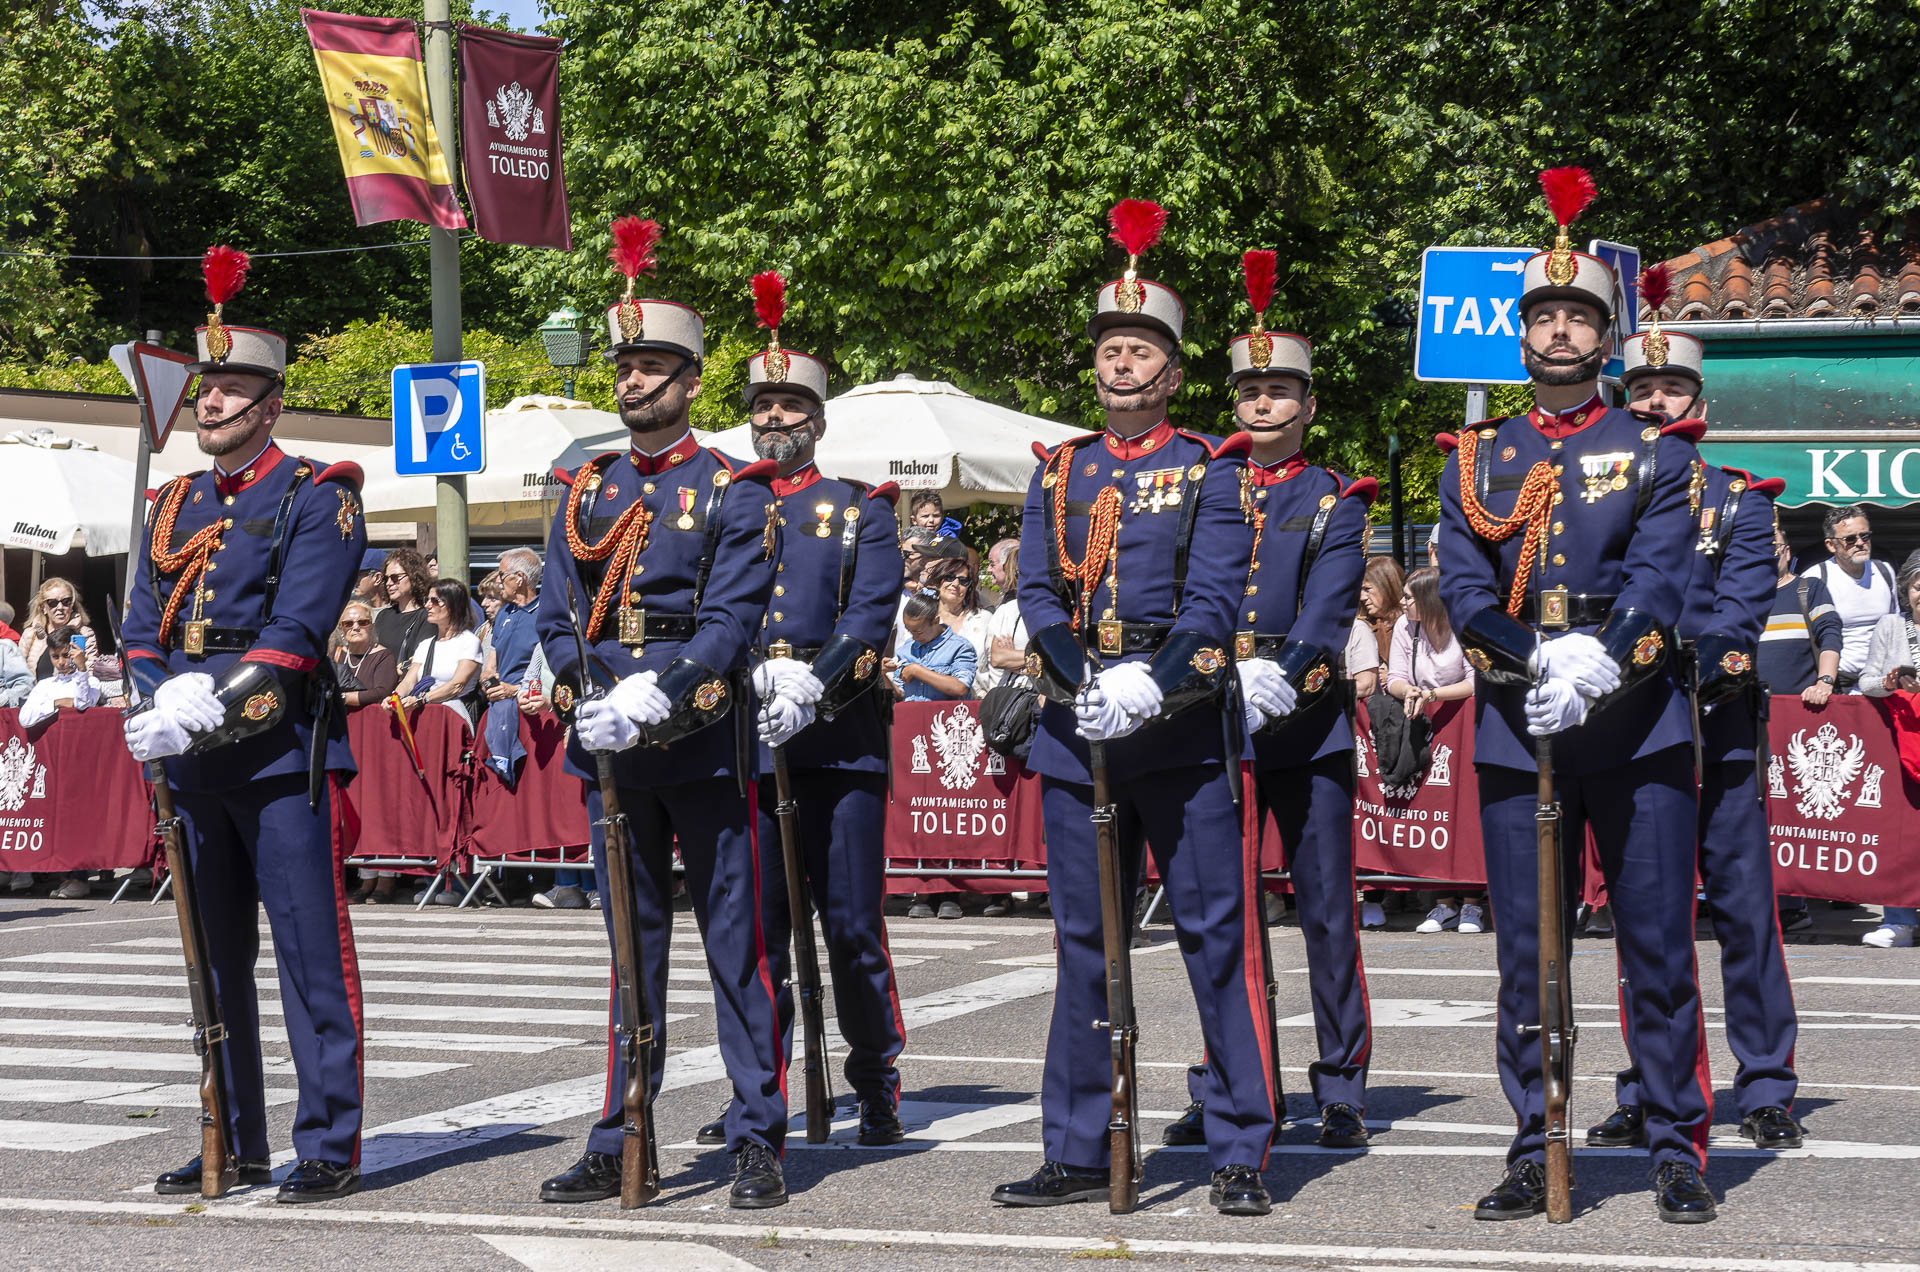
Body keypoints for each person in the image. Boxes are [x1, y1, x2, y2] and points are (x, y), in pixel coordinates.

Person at [1436, 170, 1715, 1222]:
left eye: (1579, 317)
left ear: (1606, 339)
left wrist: (1605, 656)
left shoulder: (1653, 452)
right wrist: (1525, 658)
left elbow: (1660, 579)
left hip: (1638, 727)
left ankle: (1677, 1141)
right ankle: (1531, 1135)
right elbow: (1464, 586)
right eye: (1544, 315)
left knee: (1655, 946)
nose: (1560, 332)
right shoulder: (1479, 456)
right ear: (1521, 337)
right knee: (1526, 955)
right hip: (1519, 728)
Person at [993, 201, 1272, 1217]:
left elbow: (1211, 603)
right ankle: (1077, 1141)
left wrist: (1150, 680)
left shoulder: (1210, 471)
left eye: (1139, 349)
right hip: (1080, 732)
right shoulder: (1058, 472)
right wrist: (1076, 676)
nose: (1119, 364)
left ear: (1172, 371)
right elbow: (1034, 592)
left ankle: (1240, 1142)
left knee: (1212, 936)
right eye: (1110, 348)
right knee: (1084, 944)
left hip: (1182, 731)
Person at [533, 217, 786, 1209]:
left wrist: (660, 690)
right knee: (628, 955)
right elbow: (558, 609)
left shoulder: (730, 489)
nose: (632, 381)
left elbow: (730, 621)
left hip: (702, 746)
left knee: (737, 952)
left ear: (689, 381)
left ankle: (757, 1130)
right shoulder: (581, 485)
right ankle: (619, 1124)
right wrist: (575, 686)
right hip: (607, 750)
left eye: (652, 367)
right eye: (625, 365)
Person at [119, 245, 367, 1201]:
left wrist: (205, 707)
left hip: (275, 759)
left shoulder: (317, 495)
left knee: (311, 960)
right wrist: (151, 698)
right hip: (188, 762)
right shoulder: (174, 501)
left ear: (269, 403)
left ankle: (329, 1141)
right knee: (211, 960)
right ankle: (233, 1133)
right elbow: (143, 626)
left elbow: (297, 635)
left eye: (230, 388)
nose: (209, 402)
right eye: (205, 386)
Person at [1159, 259, 1376, 1159]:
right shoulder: (1199, 483)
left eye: (1278, 392)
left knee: (1325, 912)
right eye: (1248, 392)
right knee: (1222, 919)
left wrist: (1280, 676)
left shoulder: (1333, 498)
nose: (1259, 407)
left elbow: (1327, 612)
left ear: (1307, 406)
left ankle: (1340, 1085)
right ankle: (1229, 1080)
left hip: (1304, 721)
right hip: (1210, 722)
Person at [1583, 313, 1804, 1152]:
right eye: (1639, 389)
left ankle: (1767, 1082)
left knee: (1745, 911)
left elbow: (1739, 610)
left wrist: (1669, 660)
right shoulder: (1593, 500)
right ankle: (1652, 1081)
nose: (1653, 401)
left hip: (1716, 723)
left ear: (1696, 402)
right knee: (1647, 921)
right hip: (1637, 733)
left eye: (1669, 388)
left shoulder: (1737, 498)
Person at [724, 277, 909, 1149]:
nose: (775, 420)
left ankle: (874, 1073)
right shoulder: (719, 504)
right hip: (743, 743)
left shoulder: (859, 511)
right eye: (763, 406)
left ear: (818, 420)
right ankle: (758, 1090)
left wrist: (814, 685)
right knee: (756, 935)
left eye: (791, 405)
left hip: (839, 742)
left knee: (850, 929)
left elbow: (870, 621)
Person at [1387, 567, 1483, 934]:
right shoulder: (1404, 628)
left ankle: (1473, 902)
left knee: (1465, 812)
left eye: (1409, 597)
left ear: (1429, 600)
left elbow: (1475, 680)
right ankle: (1442, 902)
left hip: (1464, 723)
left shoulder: (1461, 625)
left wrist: (1431, 694)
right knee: (1432, 812)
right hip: (1425, 722)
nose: (1402, 602)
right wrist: (1406, 692)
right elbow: (1396, 675)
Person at [1855, 547, 1920, 947]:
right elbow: (1867, 681)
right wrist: (1892, 683)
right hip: (1903, 740)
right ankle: (1899, 921)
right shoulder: (1890, 625)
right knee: (1902, 834)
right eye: (1917, 585)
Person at [1802, 505, 1895, 692]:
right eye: (1850, 539)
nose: (1860, 543)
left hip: (1882, 682)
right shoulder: (1815, 578)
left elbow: (1895, 627)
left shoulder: (1884, 571)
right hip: (1838, 684)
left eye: (1865, 536)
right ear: (1830, 545)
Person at [388, 578, 483, 729]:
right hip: (426, 718)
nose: (427, 605)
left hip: (454, 719)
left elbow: (457, 685)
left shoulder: (469, 642)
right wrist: (395, 697)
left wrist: (421, 699)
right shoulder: (425, 645)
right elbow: (408, 681)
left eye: (435, 601)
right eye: (427, 600)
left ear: (453, 606)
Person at [887, 594, 976, 701]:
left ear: (935, 621)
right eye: (909, 631)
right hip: (912, 715)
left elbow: (960, 688)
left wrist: (917, 671)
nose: (914, 637)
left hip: (943, 715)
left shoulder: (960, 647)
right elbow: (900, 694)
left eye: (918, 632)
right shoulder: (907, 648)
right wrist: (884, 674)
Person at [926, 555, 991, 691]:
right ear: (939, 581)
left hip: (976, 699)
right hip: (930, 700)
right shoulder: (924, 618)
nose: (955, 584)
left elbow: (994, 666)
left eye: (963, 581)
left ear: (969, 588)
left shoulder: (984, 619)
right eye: (949, 577)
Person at [1345, 556, 1404, 701]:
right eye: (1360, 590)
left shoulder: (1410, 624)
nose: (1362, 597)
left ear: (1386, 586)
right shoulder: (1360, 626)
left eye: (1367, 589)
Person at [18, 578, 98, 680]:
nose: (60, 607)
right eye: (52, 603)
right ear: (43, 607)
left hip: (69, 693)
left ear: (72, 605)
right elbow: (17, 672)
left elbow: (91, 674)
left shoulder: (84, 634)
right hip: (34, 694)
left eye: (66, 602)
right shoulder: (30, 634)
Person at [978, 539, 1030, 695]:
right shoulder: (1007, 609)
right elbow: (999, 657)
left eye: (992, 564)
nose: (988, 569)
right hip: (1008, 696)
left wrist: (1024, 660)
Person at [374, 548, 432, 675]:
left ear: (413, 577)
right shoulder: (383, 616)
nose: (389, 583)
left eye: (395, 578)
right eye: (386, 578)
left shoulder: (427, 616)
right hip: (380, 687)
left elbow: (422, 659)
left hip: (408, 688)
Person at [331, 602, 399, 709]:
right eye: (348, 624)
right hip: (337, 721)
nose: (356, 627)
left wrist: (343, 698)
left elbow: (382, 692)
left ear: (371, 627)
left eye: (363, 622)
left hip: (368, 720)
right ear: (341, 629)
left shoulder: (384, 656)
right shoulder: (336, 655)